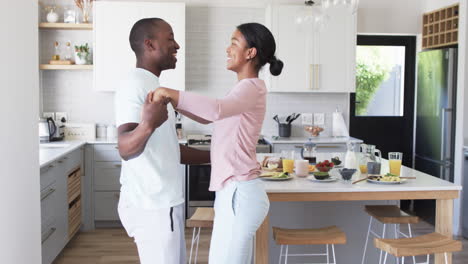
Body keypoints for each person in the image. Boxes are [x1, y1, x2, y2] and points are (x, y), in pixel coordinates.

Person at [152, 22, 283, 263]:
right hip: (232, 191)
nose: (227, 49)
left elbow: (216, 109)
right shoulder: (243, 89)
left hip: (240, 192)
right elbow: (209, 115)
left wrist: (170, 93)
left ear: (250, 53)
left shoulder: (252, 87)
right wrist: (175, 102)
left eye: (234, 43)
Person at [114, 18, 210, 264]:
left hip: (161, 203)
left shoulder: (152, 84)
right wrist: (148, 124)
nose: (176, 45)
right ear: (149, 44)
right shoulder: (134, 84)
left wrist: (218, 155)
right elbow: (125, 147)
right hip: (153, 205)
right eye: (169, 38)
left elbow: (167, 150)